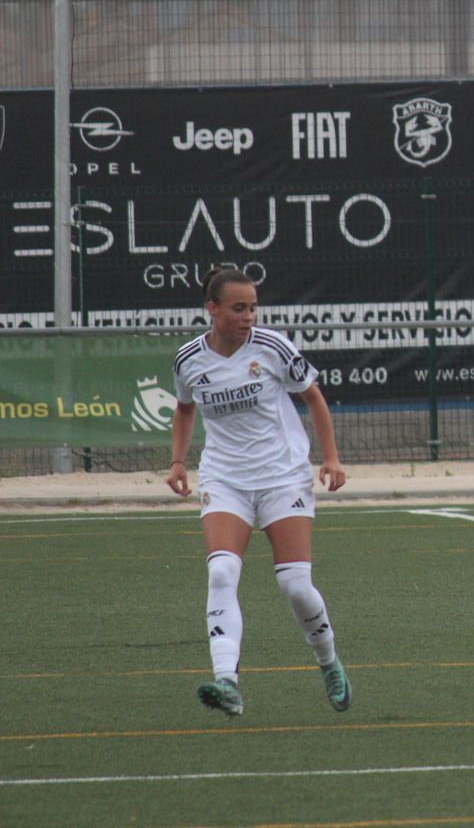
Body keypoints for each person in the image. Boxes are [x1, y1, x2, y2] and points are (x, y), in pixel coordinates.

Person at [166, 267, 351, 718]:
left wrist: (331, 458)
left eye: (253, 307)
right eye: (238, 308)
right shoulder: (189, 359)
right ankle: (226, 682)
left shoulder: (272, 347)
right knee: (222, 573)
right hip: (224, 478)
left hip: (282, 476)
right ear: (212, 310)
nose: (249, 316)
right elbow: (185, 408)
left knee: (295, 585)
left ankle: (328, 661)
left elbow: (314, 398)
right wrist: (177, 461)